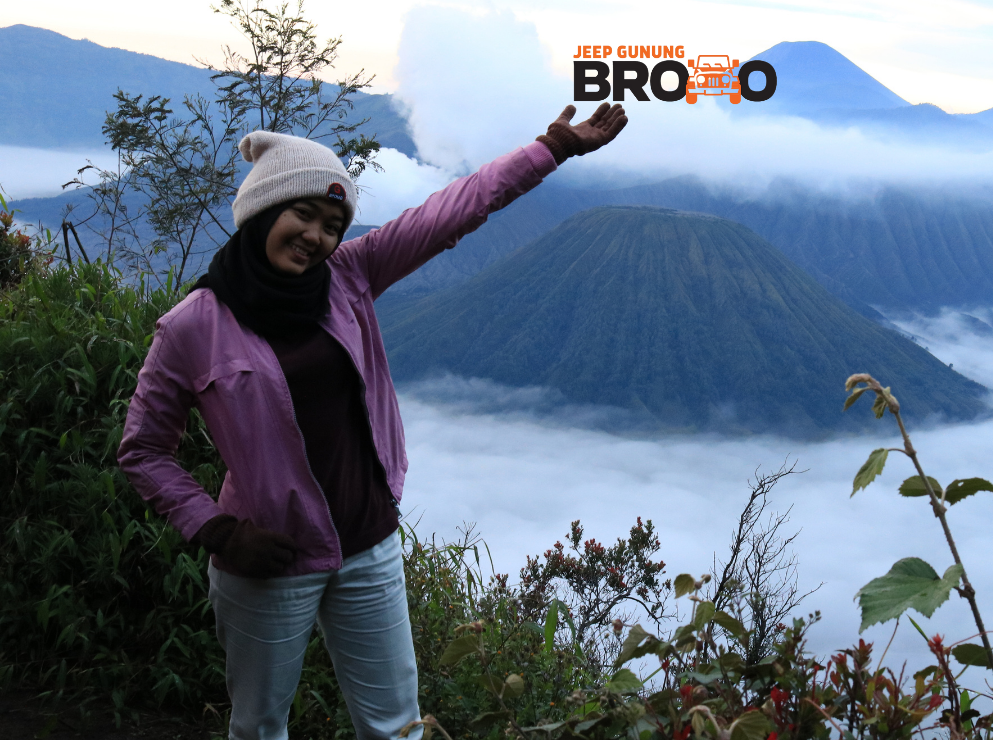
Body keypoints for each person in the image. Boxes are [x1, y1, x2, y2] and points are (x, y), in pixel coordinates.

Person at [117, 102, 627, 740]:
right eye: (304, 213)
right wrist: (218, 531)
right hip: (268, 561)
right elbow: (144, 450)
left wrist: (550, 148)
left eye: (333, 224)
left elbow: (453, 210)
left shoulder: (348, 277)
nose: (317, 235)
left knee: (395, 728)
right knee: (258, 727)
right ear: (263, 210)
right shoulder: (193, 327)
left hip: (371, 546)